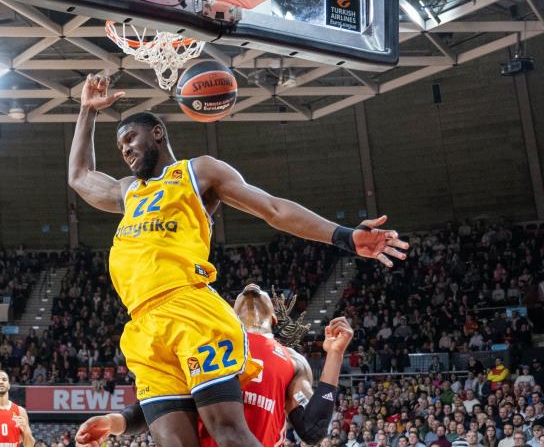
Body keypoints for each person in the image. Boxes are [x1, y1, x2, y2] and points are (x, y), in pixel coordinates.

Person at [67, 75, 408, 447]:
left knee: (228, 433)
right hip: (142, 326)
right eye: (120, 147)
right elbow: (80, 177)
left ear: (158, 134)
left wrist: (344, 236)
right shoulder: (129, 191)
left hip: (188, 309)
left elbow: (273, 209)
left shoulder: (198, 172)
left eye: (131, 139)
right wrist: (86, 111)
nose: (125, 150)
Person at [75, 284, 354, 447]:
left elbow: (313, 430)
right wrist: (115, 422)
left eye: (261, 290)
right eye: (242, 291)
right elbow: (160, 403)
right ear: (229, 314)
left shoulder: (292, 360)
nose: (251, 286)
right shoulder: (202, 343)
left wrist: (335, 355)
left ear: (274, 319)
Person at [0, 370, 35, 447]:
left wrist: (26, 430)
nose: (1, 382)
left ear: (9, 385)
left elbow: (30, 445)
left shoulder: (20, 411)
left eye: (4, 379)